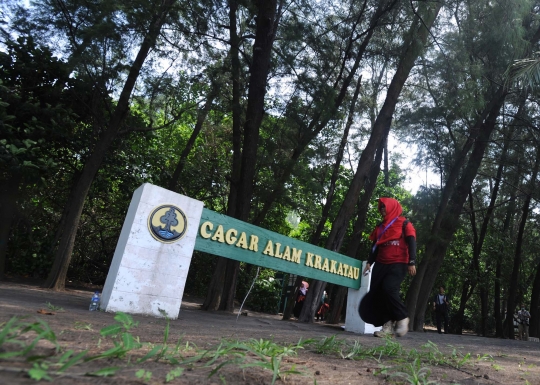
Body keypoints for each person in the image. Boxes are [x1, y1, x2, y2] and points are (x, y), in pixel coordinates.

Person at [359, 197, 417, 338]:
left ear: (392, 207)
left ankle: (402, 317)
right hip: (380, 263)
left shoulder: (404, 223)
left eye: (384, 207)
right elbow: (375, 247)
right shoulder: (380, 227)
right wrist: (369, 262)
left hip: (398, 263)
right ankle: (387, 326)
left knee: (389, 288)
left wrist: (412, 261)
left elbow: (412, 241)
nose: (382, 210)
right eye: (381, 207)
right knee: (379, 293)